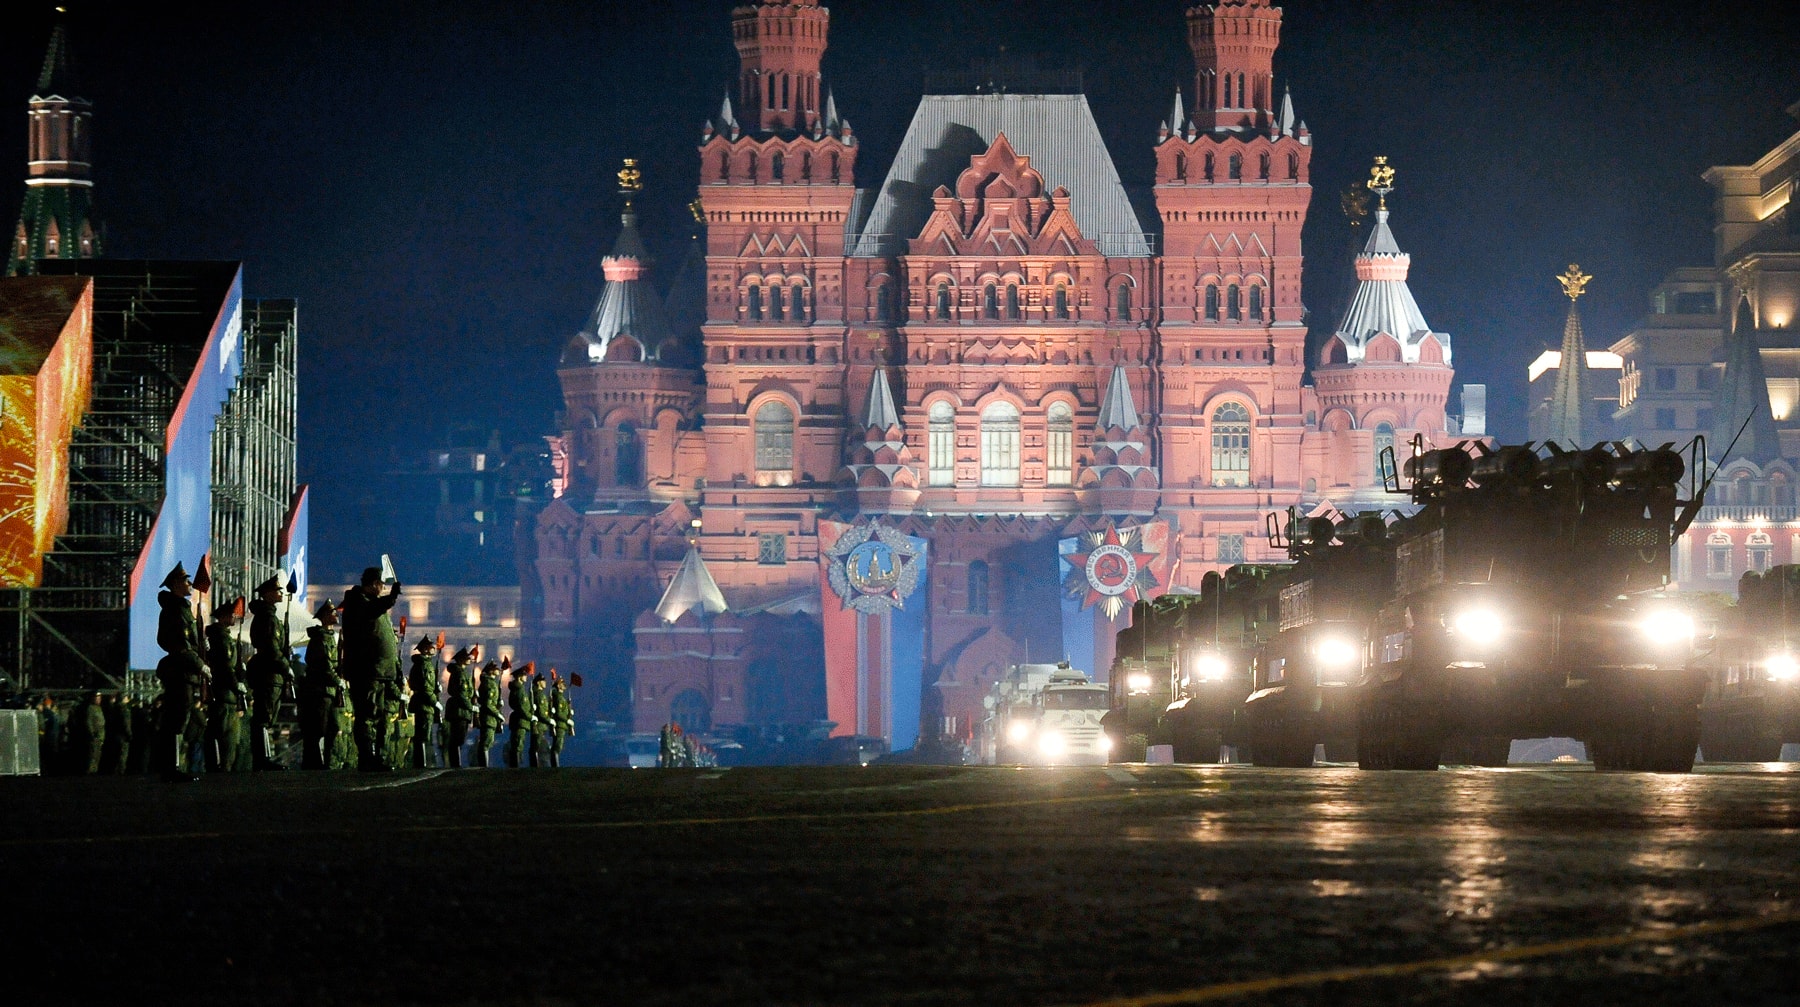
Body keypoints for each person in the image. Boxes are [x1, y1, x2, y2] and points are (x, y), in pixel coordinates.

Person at [341, 567, 403, 771]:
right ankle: (367, 757)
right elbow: (371, 611)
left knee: (378, 717)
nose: (382, 589)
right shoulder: (357, 602)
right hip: (366, 670)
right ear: (374, 583)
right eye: (381, 585)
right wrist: (391, 598)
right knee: (367, 715)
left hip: (381, 671)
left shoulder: (372, 604)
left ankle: (377, 756)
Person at [154, 563, 209, 781]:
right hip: (180, 672)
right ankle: (171, 768)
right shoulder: (174, 611)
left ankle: (174, 767)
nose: (190, 584)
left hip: (186, 673)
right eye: (186, 581)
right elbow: (178, 645)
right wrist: (199, 664)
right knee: (175, 721)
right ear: (176, 584)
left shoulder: (182, 609)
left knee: (180, 720)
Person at [246, 576, 292, 770]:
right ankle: (261, 758)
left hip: (272, 672)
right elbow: (272, 647)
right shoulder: (266, 617)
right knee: (263, 717)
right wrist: (284, 666)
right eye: (277, 590)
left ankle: (264, 758)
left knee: (267, 716)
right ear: (267, 594)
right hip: (268, 671)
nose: (281, 593)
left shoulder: (270, 616)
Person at [205, 598, 248, 773]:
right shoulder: (221, 639)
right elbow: (225, 666)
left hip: (226, 695)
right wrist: (236, 684)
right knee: (227, 739)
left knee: (227, 741)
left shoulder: (223, 637)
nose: (234, 617)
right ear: (223, 617)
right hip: (224, 694)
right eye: (231, 614)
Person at [299, 602, 341, 770]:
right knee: (317, 729)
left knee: (332, 727)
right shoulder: (320, 638)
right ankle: (313, 761)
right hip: (320, 690)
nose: (336, 614)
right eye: (333, 612)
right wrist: (337, 680)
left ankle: (323, 760)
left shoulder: (329, 636)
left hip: (328, 690)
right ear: (324, 616)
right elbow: (324, 664)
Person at [406, 637, 440, 769]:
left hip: (424, 703)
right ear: (425, 649)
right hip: (424, 704)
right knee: (422, 734)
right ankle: (421, 763)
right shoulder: (424, 665)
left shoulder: (425, 664)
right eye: (431, 647)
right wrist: (434, 701)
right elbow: (425, 687)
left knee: (424, 733)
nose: (434, 649)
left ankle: (422, 761)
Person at [442, 647, 475, 768]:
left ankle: (456, 762)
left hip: (462, 710)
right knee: (457, 738)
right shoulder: (459, 673)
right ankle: (456, 763)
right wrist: (470, 707)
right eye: (467, 658)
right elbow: (460, 693)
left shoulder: (462, 672)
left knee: (460, 738)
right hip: (459, 710)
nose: (469, 660)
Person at [505, 661, 534, 769]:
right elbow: (521, 707)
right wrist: (530, 716)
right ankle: (515, 767)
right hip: (520, 720)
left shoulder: (520, 689)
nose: (526, 677)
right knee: (517, 744)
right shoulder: (519, 690)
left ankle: (516, 766)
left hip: (521, 720)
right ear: (519, 677)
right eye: (524, 675)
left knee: (519, 744)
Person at [475, 659, 503, 768]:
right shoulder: (488, 683)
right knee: (485, 743)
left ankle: (484, 765)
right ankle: (483, 766)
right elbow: (487, 704)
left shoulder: (491, 683)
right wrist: (498, 714)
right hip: (488, 717)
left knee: (488, 742)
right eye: (496, 669)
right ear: (491, 671)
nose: (498, 671)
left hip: (491, 718)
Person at [547, 673, 574, 768]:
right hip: (559, 725)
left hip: (561, 725)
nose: (564, 685)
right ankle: (555, 766)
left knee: (559, 745)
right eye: (562, 683)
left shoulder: (560, 697)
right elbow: (558, 713)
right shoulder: (558, 697)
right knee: (557, 746)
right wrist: (567, 720)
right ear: (558, 686)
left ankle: (555, 765)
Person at [75, 692, 105, 774]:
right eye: (97, 697)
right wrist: (91, 733)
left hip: (100, 736)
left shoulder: (99, 708)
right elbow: (89, 722)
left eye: (99, 697)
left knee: (97, 755)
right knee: (92, 756)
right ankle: (90, 772)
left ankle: (94, 770)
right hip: (94, 736)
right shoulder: (90, 708)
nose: (99, 699)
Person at [103, 695, 132, 774]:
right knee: (122, 755)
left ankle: (114, 770)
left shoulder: (114, 709)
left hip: (115, 734)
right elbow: (126, 724)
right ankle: (120, 771)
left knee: (115, 754)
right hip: (122, 736)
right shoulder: (124, 710)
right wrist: (129, 734)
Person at [528, 672, 550, 769]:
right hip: (539, 725)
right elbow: (541, 713)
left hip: (542, 725)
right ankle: (535, 767)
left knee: (540, 746)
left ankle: (538, 766)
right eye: (543, 681)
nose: (545, 683)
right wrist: (549, 720)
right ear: (538, 683)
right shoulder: (538, 695)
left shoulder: (540, 694)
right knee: (536, 746)